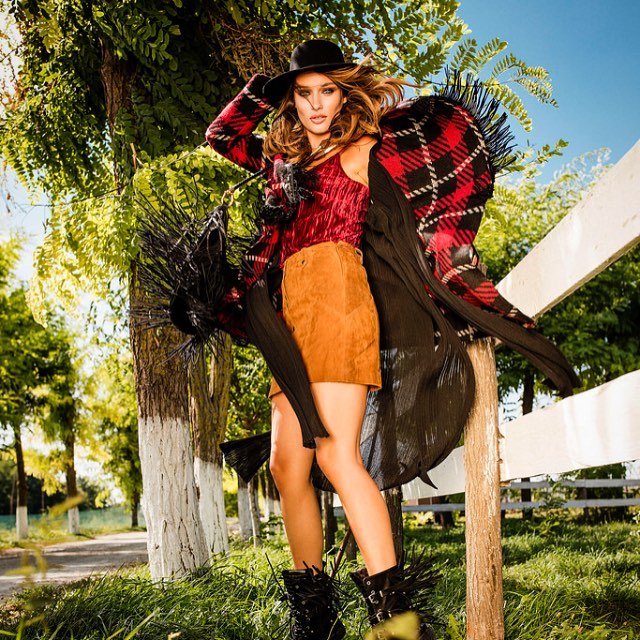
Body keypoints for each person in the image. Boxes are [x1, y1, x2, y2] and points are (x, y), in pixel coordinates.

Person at [201, 39, 579, 640]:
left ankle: (398, 622)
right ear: (291, 100)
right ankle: (317, 620)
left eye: (327, 90)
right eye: (304, 93)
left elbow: (423, 172)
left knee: (335, 455)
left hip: (340, 300)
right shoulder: (281, 166)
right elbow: (221, 136)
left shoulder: (359, 149)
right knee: (286, 467)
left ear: (343, 95)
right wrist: (265, 88)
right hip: (290, 316)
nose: (316, 104)